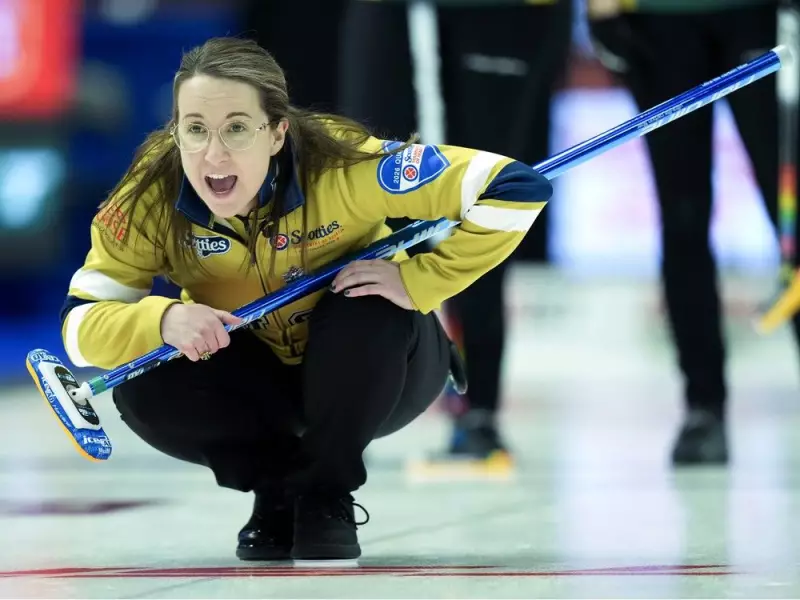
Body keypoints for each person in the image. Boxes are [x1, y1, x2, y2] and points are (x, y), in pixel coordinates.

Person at [57, 37, 553, 561]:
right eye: (195, 130)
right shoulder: (148, 196)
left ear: (277, 133)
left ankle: (324, 494)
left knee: (367, 300)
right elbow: (79, 327)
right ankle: (277, 492)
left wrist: (420, 281)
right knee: (144, 376)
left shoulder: (345, 163)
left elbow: (513, 188)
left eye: (237, 129)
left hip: (383, 370)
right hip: (257, 378)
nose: (214, 153)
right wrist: (163, 320)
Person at [337, 0, 572, 462]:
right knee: (365, 180)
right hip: (391, 14)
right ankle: (346, 401)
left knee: (487, 191)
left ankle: (477, 405)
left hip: (503, 15)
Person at [588, 0, 793, 465]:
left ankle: (704, 407)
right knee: (681, 215)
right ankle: (703, 406)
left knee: (789, 212)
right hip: (659, 20)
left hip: (760, 15)